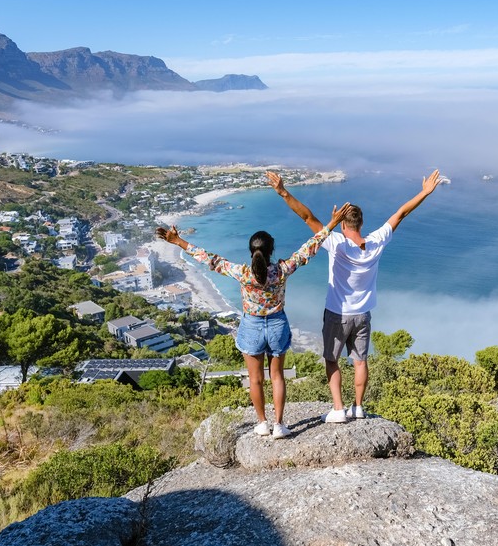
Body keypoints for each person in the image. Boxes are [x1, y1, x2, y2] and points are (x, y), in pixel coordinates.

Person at [155, 202, 351, 439]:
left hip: (252, 326)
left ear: (252, 252)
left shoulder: (243, 273)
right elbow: (309, 248)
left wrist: (178, 242)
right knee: (277, 376)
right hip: (277, 324)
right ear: (271, 251)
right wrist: (332, 223)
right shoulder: (281, 270)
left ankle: (262, 423)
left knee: (255, 379)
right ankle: (279, 425)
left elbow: (211, 260)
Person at [267, 169, 443, 423]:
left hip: (337, 314)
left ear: (341, 223)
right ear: (361, 223)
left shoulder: (335, 241)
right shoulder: (376, 242)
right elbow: (401, 213)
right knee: (360, 362)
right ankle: (358, 407)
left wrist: (283, 192)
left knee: (331, 360)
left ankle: (338, 409)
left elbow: (307, 217)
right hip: (363, 315)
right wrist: (425, 192)